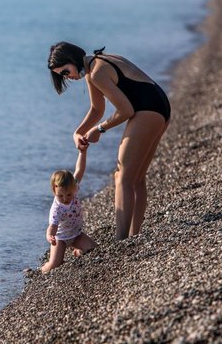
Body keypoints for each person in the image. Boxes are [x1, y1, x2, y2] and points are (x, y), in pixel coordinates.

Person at [47, 42, 171, 240]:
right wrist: (78, 132)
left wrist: (99, 129)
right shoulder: (96, 65)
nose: (67, 77)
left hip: (148, 111)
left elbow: (126, 111)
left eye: (64, 72)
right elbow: (97, 109)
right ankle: (134, 235)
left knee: (122, 177)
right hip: (160, 107)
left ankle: (121, 239)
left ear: (71, 60)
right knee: (136, 178)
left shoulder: (97, 73)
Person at [41, 148, 96, 273]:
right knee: (54, 265)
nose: (65, 198)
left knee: (93, 249)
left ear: (73, 188)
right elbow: (52, 227)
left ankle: (77, 250)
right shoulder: (56, 209)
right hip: (61, 238)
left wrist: (82, 153)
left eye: (69, 194)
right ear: (54, 190)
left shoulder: (74, 188)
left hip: (76, 234)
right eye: (60, 196)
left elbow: (79, 170)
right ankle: (40, 269)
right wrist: (50, 236)